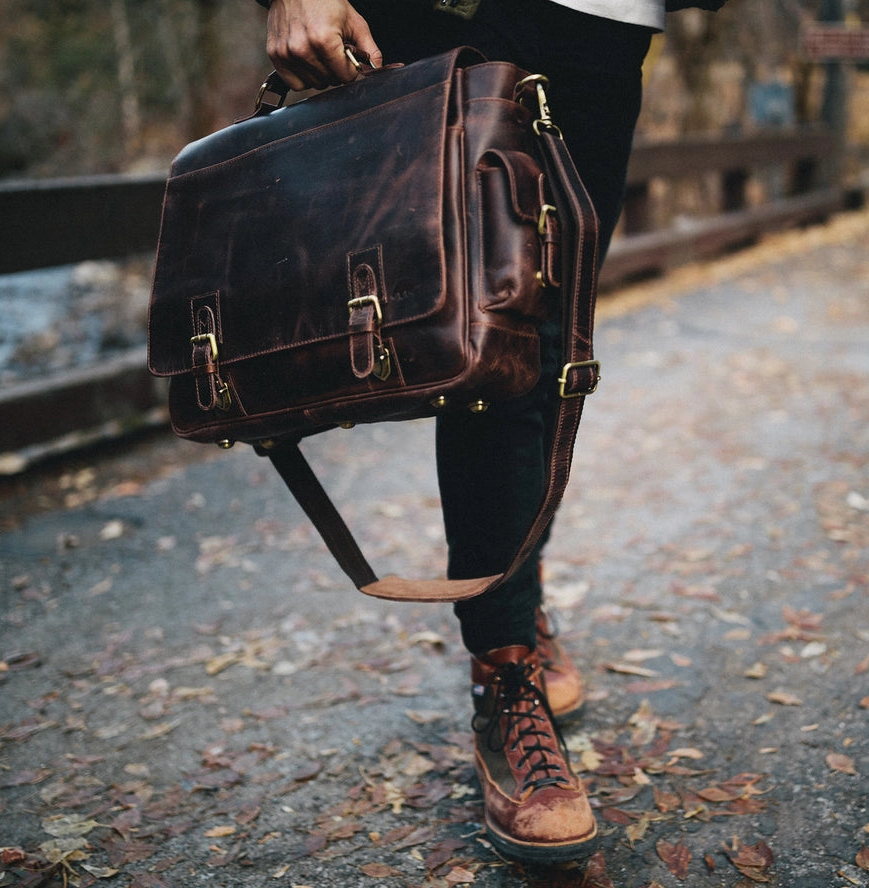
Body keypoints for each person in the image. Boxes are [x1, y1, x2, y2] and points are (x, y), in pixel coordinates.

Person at [254, 0, 670, 864]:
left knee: (554, 340)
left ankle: (517, 602)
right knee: (493, 337)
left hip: (606, 18)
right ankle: (505, 670)